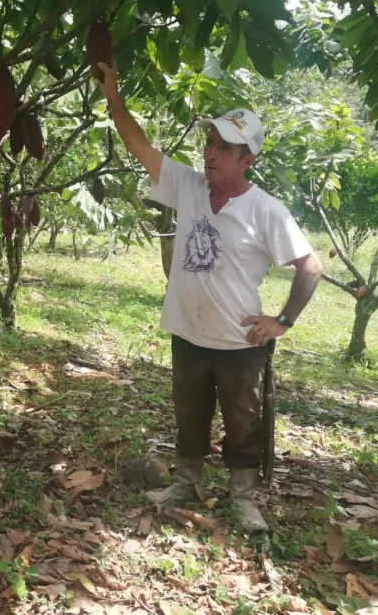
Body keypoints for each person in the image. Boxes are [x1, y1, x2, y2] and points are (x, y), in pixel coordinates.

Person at [97, 62, 323, 533]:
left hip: (240, 341)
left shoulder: (266, 211)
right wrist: (114, 100)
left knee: (243, 423)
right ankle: (185, 483)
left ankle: (242, 499)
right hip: (189, 330)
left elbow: (310, 266)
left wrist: (282, 320)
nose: (212, 153)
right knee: (190, 413)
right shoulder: (190, 187)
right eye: (210, 143)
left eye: (225, 147)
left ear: (248, 160)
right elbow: (139, 146)